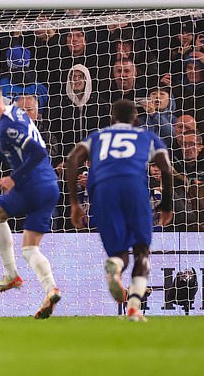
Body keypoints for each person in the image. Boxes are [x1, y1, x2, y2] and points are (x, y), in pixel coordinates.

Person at [65, 99, 173, 322]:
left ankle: (115, 266)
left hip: (103, 191)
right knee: (142, 250)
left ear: (111, 119)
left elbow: (73, 159)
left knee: (119, 253)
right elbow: (165, 167)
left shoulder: (97, 137)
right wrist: (167, 203)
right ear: (136, 119)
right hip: (134, 187)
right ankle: (134, 307)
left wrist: (74, 203)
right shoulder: (145, 136)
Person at [0, 80, 61, 320]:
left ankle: (11, 274)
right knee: (30, 248)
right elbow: (17, 149)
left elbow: (38, 152)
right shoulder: (17, 113)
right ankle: (51, 290)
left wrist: (14, 178)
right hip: (50, 186)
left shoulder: (5, 126)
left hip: (31, 184)